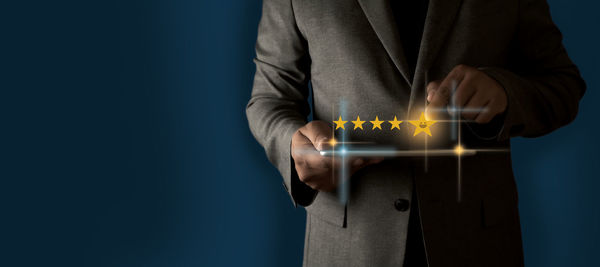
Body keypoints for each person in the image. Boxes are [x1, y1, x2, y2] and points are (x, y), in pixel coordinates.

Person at [246, 0, 585, 266]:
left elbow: (562, 85)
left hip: (478, 244)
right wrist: (295, 145)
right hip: (349, 247)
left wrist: (504, 93)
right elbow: (269, 100)